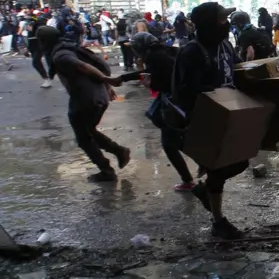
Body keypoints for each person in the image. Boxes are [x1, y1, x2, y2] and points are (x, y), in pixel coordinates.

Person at [171, 2, 246, 239]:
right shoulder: (191, 52)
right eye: (222, 20)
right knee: (221, 166)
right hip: (203, 121)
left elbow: (238, 70)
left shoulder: (225, 45)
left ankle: (205, 191)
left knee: (240, 161)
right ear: (208, 25)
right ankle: (218, 221)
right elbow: (185, 93)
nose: (227, 24)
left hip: (228, 116)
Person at [38, 25, 131, 182]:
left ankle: (107, 169)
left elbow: (83, 66)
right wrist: (105, 85)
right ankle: (118, 152)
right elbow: (96, 63)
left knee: (84, 137)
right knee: (88, 131)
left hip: (85, 99)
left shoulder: (60, 55)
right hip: (97, 96)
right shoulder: (69, 47)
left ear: (44, 41)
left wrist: (106, 81)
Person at [118, 32, 196, 191]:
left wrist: (150, 84)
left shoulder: (155, 56)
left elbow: (163, 80)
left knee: (169, 143)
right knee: (176, 140)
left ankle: (189, 180)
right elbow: (152, 72)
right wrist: (125, 78)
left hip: (174, 101)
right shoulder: (163, 52)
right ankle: (202, 167)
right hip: (181, 100)